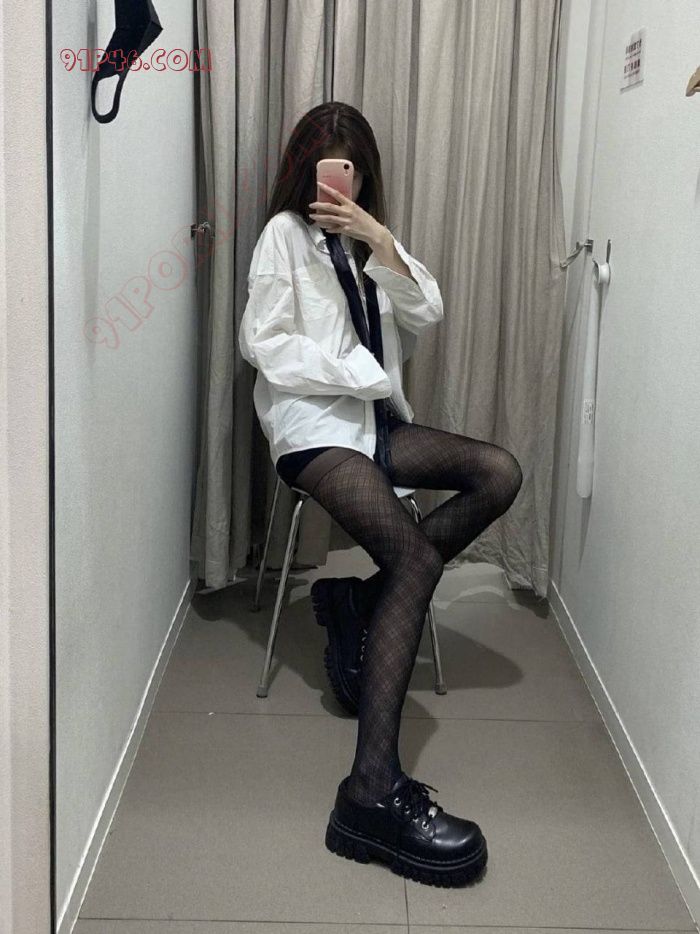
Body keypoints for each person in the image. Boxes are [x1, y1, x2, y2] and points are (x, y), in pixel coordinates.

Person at [239, 102, 522, 887]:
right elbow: (263, 343)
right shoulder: (282, 237)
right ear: (303, 172)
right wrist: (358, 374)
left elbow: (427, 310)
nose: (339, 185)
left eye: (352, 171)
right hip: (313, 431)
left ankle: (360, 602)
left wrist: (380, 241)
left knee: (499, 472)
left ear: (365, 175)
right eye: (327, 170)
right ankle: (369, 792)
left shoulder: (369, 241)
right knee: (415, 560)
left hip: (376, 426)